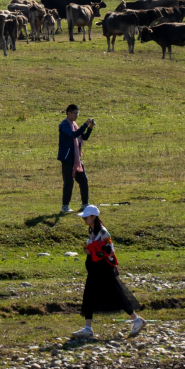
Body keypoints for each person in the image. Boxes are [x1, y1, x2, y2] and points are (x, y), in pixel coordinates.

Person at [70, 205, 145, 341]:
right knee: (89, 294)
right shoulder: (93, 231)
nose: (84, 219)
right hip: (95, 268)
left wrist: (91, 250)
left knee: (117, 294)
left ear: (94, 217)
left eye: (86, 217)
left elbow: (109, 249)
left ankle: (137, 319)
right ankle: (88, 328)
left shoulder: (103, 232)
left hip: (103, 268)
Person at [58, 104, 94, 214]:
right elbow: (73, 135)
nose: (77, 116)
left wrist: (89, 128)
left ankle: (85, 204)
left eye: (78, 113)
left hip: (76, 159)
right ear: (68, 113)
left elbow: (83, 137)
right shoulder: (64, 125)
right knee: (68, 183)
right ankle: (65, 207)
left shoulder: (74, 125)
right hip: (68, 159)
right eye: (75, 113)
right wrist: (84, 125)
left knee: (83, 180)